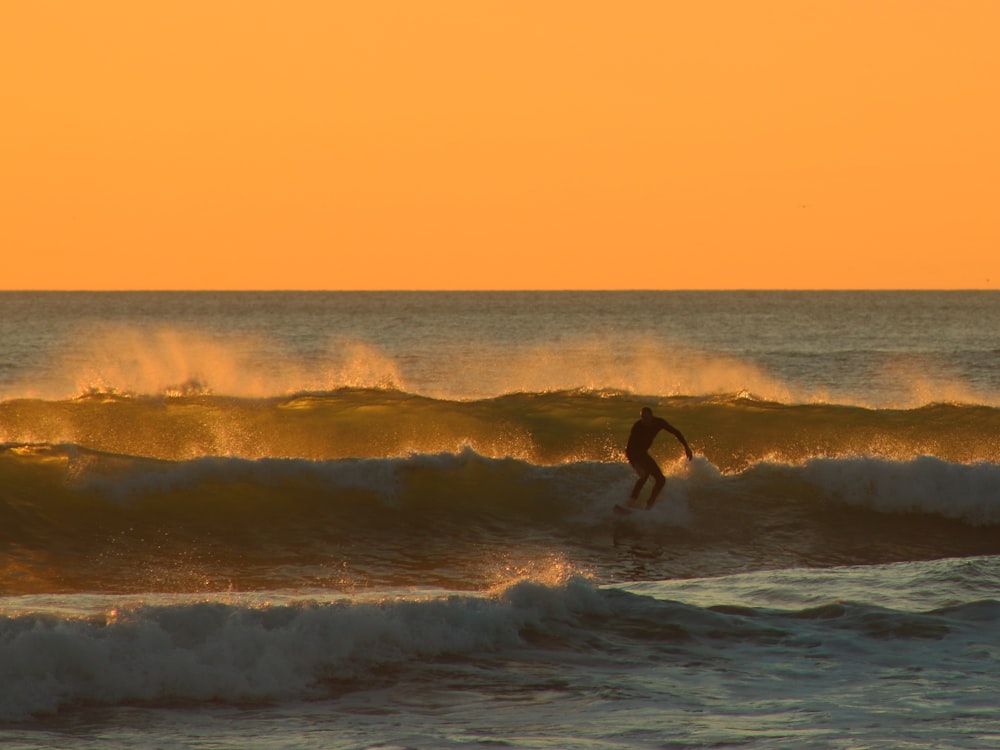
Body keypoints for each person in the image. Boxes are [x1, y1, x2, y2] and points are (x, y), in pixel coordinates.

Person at [625, 406, 693, 509]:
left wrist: (686, 447)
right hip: (634, 454)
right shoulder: (637, 427)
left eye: (647, 418)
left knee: (661, 480)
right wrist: (636, 465)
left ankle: (650, 505)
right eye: (643, 418)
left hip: (643, 454)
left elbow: (676, 432)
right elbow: (629, 449)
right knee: (644, 475)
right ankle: (631, 503)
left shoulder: (658, 423)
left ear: (652, 417)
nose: (645, 421)